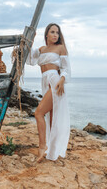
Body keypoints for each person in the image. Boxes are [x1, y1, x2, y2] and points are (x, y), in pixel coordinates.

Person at [26, 23, 71, 162]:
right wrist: (29, 41)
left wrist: (62, 80)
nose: (55, 35)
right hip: (45, 81)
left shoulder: (60, 48)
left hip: (56, 82)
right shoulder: (41, 49)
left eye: (57, 32)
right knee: (51, 117)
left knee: (39, 113)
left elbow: (66, 67)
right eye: (52, 32)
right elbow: (30, 60)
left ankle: (42, 147)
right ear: (46, 34)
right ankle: (52, 152)